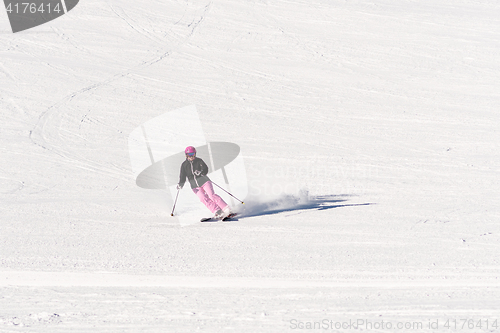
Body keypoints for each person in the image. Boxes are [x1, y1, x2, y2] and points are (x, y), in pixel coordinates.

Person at [177, 146, 232, 219]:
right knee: (203, 198)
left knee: (211, 195)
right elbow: (182, 177)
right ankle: (217, 210)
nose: (192, 156)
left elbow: (205, 168)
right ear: (186, 155)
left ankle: (226, 208)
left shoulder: (199, 161)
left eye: (193, 154)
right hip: (195, 186)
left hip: (205, 182)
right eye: (190, 154)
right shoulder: (184, 165)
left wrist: (201, 172)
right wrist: (180, 184)